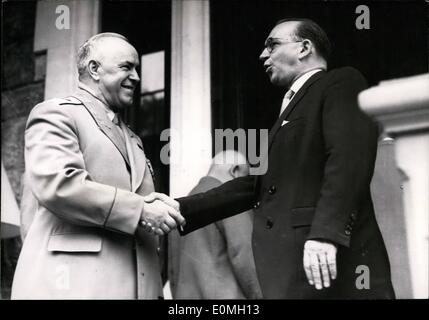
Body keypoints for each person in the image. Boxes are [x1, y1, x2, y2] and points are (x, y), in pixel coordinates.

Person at [151, 19, 395, 299]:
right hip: (293, 275)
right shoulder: (287, 111)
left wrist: (326, 234)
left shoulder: (341, 83)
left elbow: (348, 160)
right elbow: (254, 184)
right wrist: (178, 207)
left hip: (330, 265)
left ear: (304, 48)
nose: (262, 55)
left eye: (272, 45)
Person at [11, 33, 184, 299]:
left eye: (137, 68)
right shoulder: (57, 113)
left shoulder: (134, 139)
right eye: (127, 67)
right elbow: (60, 185)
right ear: (94, 69)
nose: (137, 77)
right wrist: (141, 210)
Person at [168, 150, 262, 299]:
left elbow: (172, 271)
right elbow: (244, 254)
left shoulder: (182, 207)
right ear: (235, 171)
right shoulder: (228, 202)